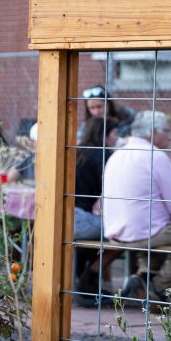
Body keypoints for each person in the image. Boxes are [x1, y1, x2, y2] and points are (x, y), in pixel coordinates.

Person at [103, 110, 171, 302]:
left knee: (161, 228)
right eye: (166, 130)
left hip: (115, 231)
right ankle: (160, 284)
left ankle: (144, 277)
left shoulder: (117, 155)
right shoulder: (156, 156)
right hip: (145, 233)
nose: (168, 137)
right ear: (153, 132)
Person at [74, 117, 119, 305]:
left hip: (72, 216)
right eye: (115, 134)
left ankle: (87, 282)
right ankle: (89, 276)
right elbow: (112, 189)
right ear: (104, 134)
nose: (117, 138)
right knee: (125, 234)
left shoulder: (76, 152)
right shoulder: (103, 155)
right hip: (84, 219)